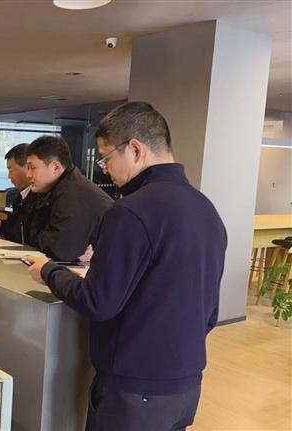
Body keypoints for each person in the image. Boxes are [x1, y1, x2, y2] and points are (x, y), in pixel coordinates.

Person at [25, 102, 227, 431]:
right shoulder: (206, 209)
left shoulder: (130, 212)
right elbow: (209, 312)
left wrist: (49, 271)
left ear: (135, 149)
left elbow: (98, 302)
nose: (104, 169)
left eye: (105, 158)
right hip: (186, 386)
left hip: (134, 390)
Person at [18, 136, 112, 261]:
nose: (28, 175)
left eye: (33, 168)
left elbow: (59, 250)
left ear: (55, 168)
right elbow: (30, 234)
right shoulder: (57, 188)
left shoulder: (73, 194)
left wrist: (44, 235)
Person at [0, 143, 42, 244]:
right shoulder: (20, 196)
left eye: (10, 170)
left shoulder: (41, 197)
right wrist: (0, 225)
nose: (9, 176)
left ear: (27, 167)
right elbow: (17, 231)